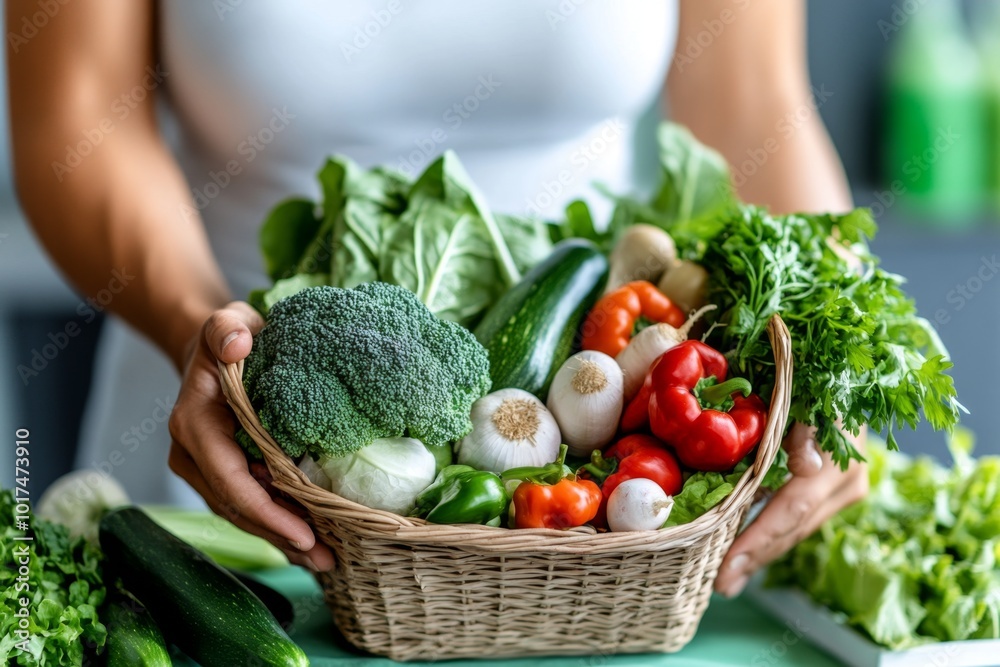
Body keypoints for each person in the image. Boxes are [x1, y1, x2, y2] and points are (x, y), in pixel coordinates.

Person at [8, 0, 866, 597]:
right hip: (243, 439)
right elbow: (76, 121)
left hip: (606, 469)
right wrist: (202, 327)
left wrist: (831, 359)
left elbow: (758, 111)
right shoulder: (230, 379)